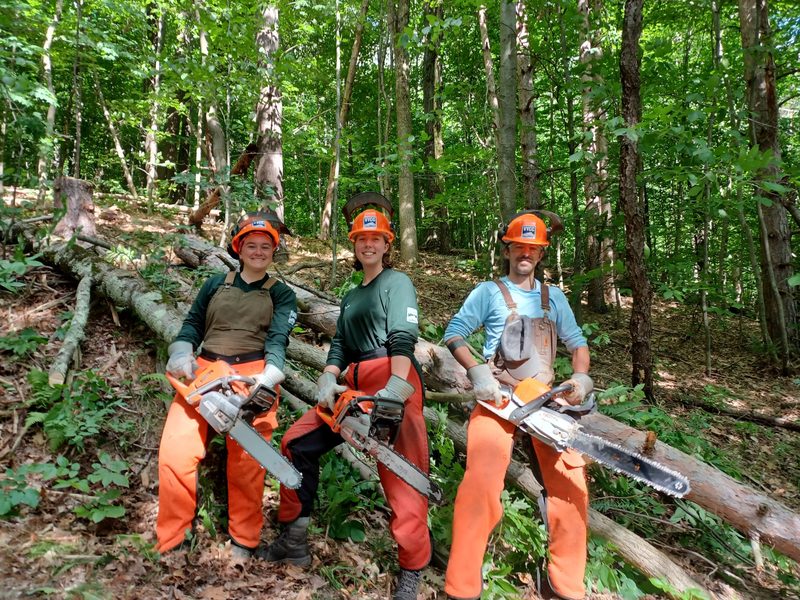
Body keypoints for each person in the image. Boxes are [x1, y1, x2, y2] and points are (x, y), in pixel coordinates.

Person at [262, 192, 431, 600]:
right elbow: (339, 343)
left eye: (376, 239)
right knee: (297, 442)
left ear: (387, 244)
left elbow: (403, 338)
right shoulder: (353, 294)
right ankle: (294, 538)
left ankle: (412, 570)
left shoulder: (397, 283)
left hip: (392, 376)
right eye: (361, 239)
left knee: (403, 474)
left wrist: (396, 389)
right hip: (351, 386)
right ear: (354, 245)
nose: (368, 245)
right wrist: (327, 376)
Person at [442, 212, 592, 600]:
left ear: (541, 254)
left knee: (571, 481)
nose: (525, 254)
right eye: (519, 247)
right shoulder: (488, 292)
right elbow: (454, 333)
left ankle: (565, 585)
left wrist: (581, 378)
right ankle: (462, 586)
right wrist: (477, 371)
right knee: (480, 482)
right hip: (500, 397)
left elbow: (577, 344)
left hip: (544, 398)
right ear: (507, 250)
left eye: (533, 248)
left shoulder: (554, 297)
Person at [157, 211, 297, 559]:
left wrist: (269, 376)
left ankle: (244, 540)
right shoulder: (215, 284)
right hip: (205, 370)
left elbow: (278, 339)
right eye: (252, 245)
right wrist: (182, 350)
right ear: (239, 247)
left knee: (248, 462)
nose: (258, 251)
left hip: (252, 373)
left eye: (265, 246)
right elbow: (192, 324)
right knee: (176, 449)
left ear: (274, 251)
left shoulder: (281, 294)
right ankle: (173, 537)